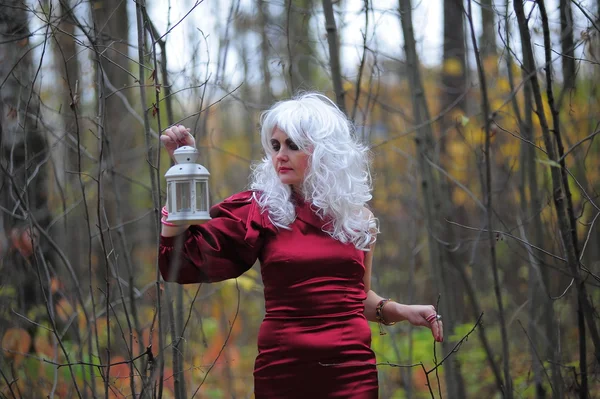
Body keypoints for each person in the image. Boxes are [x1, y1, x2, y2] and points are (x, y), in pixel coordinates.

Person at [158, 92, 444, 398]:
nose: (280, 155)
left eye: (293, 145)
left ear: (324, 152)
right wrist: (184, 172)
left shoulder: (358, 219)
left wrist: (401, 311)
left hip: (351, 371)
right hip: (285, 370)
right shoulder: (262, 210)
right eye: (276, 145)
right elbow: (181, 260)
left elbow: (357, 298)